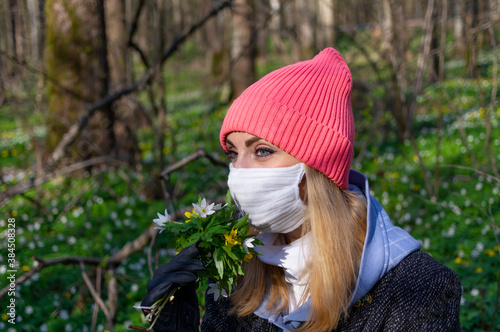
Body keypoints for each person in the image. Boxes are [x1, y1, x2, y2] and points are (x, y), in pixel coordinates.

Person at [141, 48, 461, 331]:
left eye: (262, 151)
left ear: (317, 166)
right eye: (233, 153)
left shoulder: (416, 286)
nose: (239, 172)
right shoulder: (236, 269)